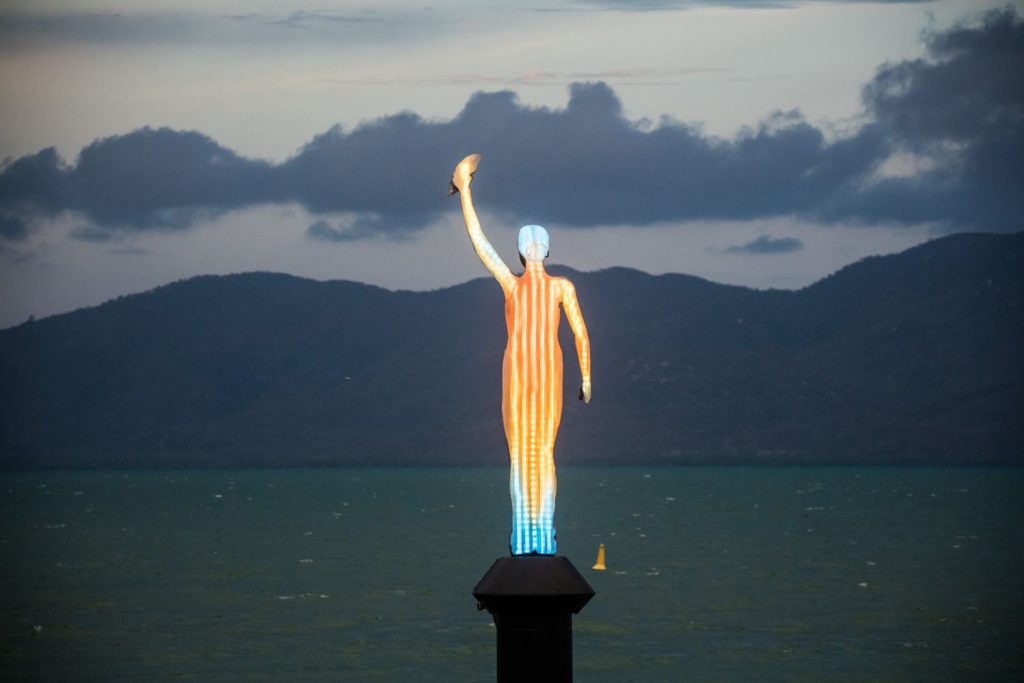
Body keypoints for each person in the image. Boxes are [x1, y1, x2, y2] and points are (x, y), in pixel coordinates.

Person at [449, 153, 591, 555]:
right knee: (543, 454)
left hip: (518, 370)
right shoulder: (562, 287)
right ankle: (543, 537)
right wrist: (586, 378)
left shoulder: (512, 285)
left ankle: (523, 536)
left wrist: (465, 191)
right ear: (546, 250)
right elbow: (580, 331)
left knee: (520, 456)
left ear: (521, 251)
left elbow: (480, 244)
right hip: (548, 370)